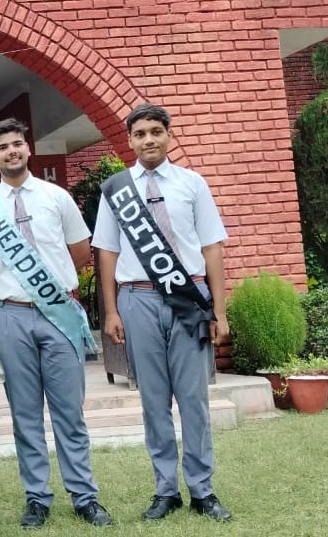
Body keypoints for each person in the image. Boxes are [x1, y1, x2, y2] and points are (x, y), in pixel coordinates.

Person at [0, 118, 112, 529]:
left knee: (69, 411)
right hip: (9, 315)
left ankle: (85, 496)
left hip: (58, 313)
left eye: (16, 144)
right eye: (2, 147)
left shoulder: (56, 197)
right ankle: (37, 497)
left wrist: (50, 286)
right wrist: (12, 286)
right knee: (25, 413)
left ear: (28, 149)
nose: (11, 151)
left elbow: (79, 252)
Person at [93, 103, 232, 522]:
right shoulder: (116, 190)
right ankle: (165, 490)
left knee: (194, 399)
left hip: (190, 299)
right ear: (130, 141)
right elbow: (107, 252)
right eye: (140, 134)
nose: (149, 140)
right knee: (153, 400)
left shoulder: (193, 184)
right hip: (137, 299)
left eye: (156, 131)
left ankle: (203, 490)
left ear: (169, 136)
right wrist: (110, 311)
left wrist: (219, 310)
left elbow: (212, 248)